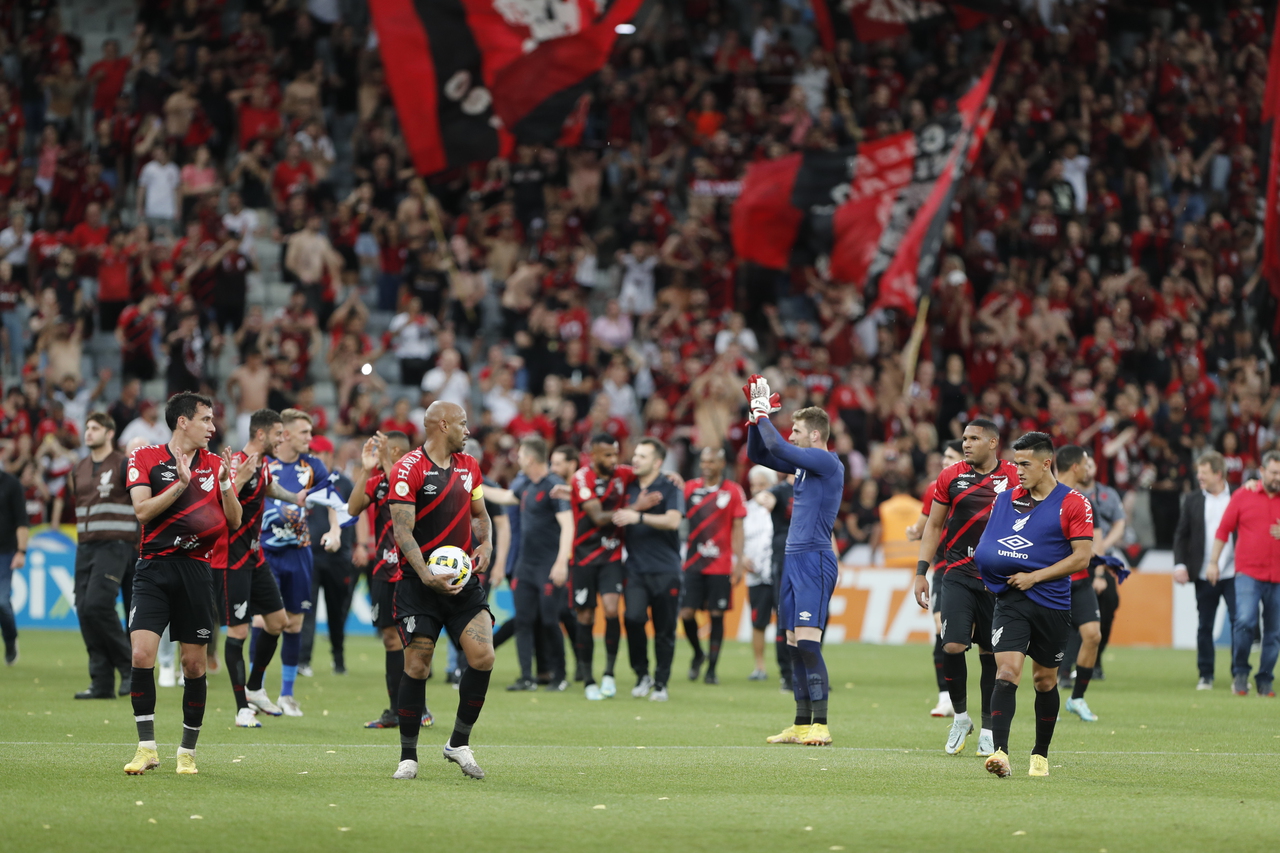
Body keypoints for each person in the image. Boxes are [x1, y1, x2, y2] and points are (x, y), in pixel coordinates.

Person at [122, 391, 251, 775]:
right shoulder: (144, 457)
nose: (213, 427)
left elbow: (234, 522)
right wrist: (181, 484)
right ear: (183, 421)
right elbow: (143, 512)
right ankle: (146, 748)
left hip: (196, 571)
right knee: (141, 655)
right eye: (206, 419)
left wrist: (227, 485)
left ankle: (187, 752)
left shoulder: (215, 464)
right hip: (154, 569)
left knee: (193, 665)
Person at [974, 431, 1093, 778]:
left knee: (1044, 681)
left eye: (1025, 464)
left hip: (1052, 603)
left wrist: (1036, 576)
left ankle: (1040, 754)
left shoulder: (1073, 502)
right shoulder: (1006, 499)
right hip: (1011, 598)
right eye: (1015, 463)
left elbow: (1082, 558)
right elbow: (991, 543)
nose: (1018, 470)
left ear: (1046, 463)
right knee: (1006, 672)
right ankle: (1000, 752)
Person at [388, 401, 495, 781]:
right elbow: (402, 531)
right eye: (463, 424)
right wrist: (425, 573)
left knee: (483, 656)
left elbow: (481, 517)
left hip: (463, 582)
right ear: (443, 425)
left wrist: (486, 545)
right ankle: (408, 756)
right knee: (418, 664)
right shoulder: (408, 470)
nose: (469, 431)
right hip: (419, 584)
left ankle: (458, 743)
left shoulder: (470, 467)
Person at [746, 377, 844, 747]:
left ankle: (821, 724)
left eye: (798, 430)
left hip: (815, 560)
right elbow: (760, 453)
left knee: (807, 643)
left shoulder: (823, 460)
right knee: (792, 643)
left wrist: (764, 415)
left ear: (815, 435)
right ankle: (801, 723)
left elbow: (776, 445)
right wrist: (756, 420)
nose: (793, 434)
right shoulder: (805, 464)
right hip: (792, 560)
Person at [914, 420, 1019, 757]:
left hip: (997, 579)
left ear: (993, 442)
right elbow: (933, 525)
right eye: (964, 438)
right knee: (953, 645)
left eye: (974, 439)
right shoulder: (950, 477)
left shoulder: (1015, 477)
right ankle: (960, 717)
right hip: (956, 573)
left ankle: (988, 729)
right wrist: (921, 572)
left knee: (992, 655)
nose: (966, 444)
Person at [212, 408, 305, 727]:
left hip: (255, 558)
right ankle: (242, 709)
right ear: (262, 434)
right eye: (279, 433)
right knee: (238, 631)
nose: (283, 439)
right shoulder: (236, 463)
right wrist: (235, 481)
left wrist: (295, 497)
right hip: (230, 560)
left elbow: (266, 487)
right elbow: (218, 508)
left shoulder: (262, 465)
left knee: (278, 622)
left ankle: (253, 688)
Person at [257, 409, 341, 716]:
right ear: (287, 434)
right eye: (305, 432)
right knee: (262, 621)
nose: (311, 438)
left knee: (294, 623)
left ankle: (287, 695)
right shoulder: (264, 461)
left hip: (300, 553)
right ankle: (257, 691)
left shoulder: (313, 465)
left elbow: (332, 500)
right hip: (265, 551)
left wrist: (334, 531)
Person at [348, 431, 433, 728]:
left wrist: (385, 462)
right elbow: (353, 507)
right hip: (383, 571)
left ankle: (418, 707)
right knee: (389, 640)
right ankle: (396, 710)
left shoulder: (419, 477)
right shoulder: (377, 480)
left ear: (396, 451)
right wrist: (367, 469)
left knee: (414, 641)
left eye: (383, 449)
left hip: (411, 571)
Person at [567, 434, 656, 700]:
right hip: (583, 558)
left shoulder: (622, 474)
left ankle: (608, 674)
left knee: (610, 610)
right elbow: (597, 518)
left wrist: (670, 477)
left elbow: (647, 470)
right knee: (585, 617)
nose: (613, 460)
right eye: (607, 455)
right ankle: (588, 679)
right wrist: (635, 508)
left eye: (615, 454)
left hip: (611, 557)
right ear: (592, 455)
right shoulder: (582, 479)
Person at [68, 412, 137, 698]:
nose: (88, 432)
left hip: (116, 544)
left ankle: (129, 668)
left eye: (95, 428)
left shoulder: (123, 464)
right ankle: (101, 681)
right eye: (87, 428)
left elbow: (140, 501)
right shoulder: (80, 468)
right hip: (85, 545)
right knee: (84, 609)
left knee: (97, 604)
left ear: (109, 433)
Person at [612, 438, 685, 700]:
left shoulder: (670, 486)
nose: (636, 459)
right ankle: (642, 674)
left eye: (643, 456)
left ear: (657, 462)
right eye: (636, 454)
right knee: (632, 619)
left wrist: (639, 516)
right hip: (635, 569)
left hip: (666, 568)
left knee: (664, 629)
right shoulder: (626, 486)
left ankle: (661, 682)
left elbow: (674, 520)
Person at [1206, 450, 1280, 697]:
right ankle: (1240, 672)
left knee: (1274, 632)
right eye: (1274, 472)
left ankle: (1265, 679)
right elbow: (1223, 530)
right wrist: (1214, 562)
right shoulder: (1243, 495)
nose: (1278, 477)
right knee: (1245, 621)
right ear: (1261, 471)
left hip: (1278, 576)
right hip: (1248, 572)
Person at [505, 436, 573, 692]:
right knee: (523, 621)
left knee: (549, 620)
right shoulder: (525, 486)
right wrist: (473, 485)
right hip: (525, 565)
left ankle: (560, 675)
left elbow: (568, 525)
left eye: (521, 455)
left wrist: (561, 562)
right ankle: (526, 677)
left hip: (548, 565)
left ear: (530, 458)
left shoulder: (555, 487)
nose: (518, 459)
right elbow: (505, 496)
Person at [906, 439, 964, 717]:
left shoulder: (984, 487)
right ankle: (946, 697)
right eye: (943, 457)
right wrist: (913, 531)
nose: (944, 463)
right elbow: (924, 523)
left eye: (950, 458)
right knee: (942, 628)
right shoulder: (934, 489)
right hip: (944, 566)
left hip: (979, 568)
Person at [680, 446, 747, 684]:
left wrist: (738, 562)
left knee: (716, 615)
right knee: (686, 613)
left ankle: (711, 669)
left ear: (721, 465)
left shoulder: (733, 491)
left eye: (711, 462)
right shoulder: (689, 488)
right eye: (704, 462)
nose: (706, 466)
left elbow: (738, 528)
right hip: (693, 562)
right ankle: (698, 653)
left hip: (720, 564)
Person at [1172, 451, 1236, 690]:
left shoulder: (1239, 496)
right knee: (1205, 625)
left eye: (1204, 472)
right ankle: (1206, 675)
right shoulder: (1193, 499)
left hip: (1234, 572)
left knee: (1240, 624)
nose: (1199, 476)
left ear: (1218, 474)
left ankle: (1238, 674)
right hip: (1202, 573)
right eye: (1199, 471)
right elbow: (1181, 534)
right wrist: (1180, 565)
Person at [1054, 445, 1106, 721]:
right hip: (1052, 583)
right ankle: (1047, 700)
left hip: (1081, 581)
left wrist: (1100, 567)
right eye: (1086, 464)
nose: (1089, 469)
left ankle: (1077, 698)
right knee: (1048, 645)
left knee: (1093, 635)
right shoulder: (1044, 498)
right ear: (1075, 466)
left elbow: (1094, 543)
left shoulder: (1086, 502)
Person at [1066, 450, 1127, 682]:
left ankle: (1096, 660)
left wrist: (1102, 546)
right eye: (1085, 464)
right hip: (1074, 561)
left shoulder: (1107, 495)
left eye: (1091, 465)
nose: (1088, 469)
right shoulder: (1068, 493)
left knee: (1109, 606)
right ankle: (1065, 666)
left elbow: (1120, 523)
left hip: (1100, 561)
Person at [299, 434, 356, 676]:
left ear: (329, 455)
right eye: (311, 453)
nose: (313, 458)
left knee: (337, 611)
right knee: (306, 610)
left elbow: (353, 515)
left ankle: (339, 659)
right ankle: (303, 661)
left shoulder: (344, 483)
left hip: (337, 558)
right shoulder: (304, 479)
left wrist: (358, 545)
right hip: (309, 555)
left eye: (318, 453)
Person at [744, 466, 776, 680]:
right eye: (754, 485)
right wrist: (740, 558)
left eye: (762, 484)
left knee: (788, 621)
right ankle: (759, 666)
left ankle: (790, 666)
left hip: (781, 572)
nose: (757, 489)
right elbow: (735, 537)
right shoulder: (745, 509)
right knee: (758, 622)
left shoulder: (783, 506)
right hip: (755, 575)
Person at [0, 461, 29, 666]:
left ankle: (10, 640)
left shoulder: (11, 484)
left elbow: (21, 520)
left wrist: (21, 551)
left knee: (1, 601)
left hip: (5, 552)